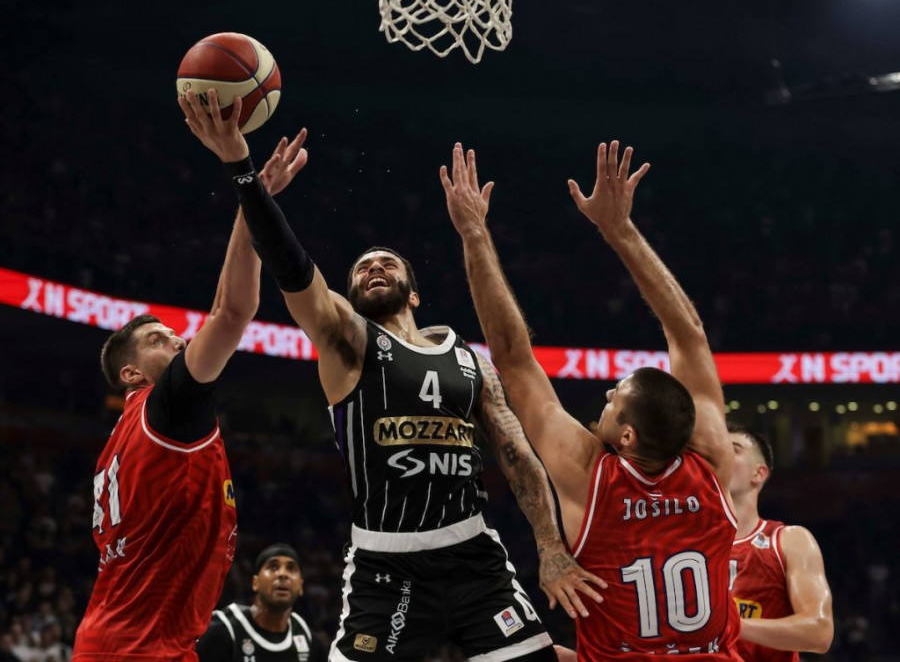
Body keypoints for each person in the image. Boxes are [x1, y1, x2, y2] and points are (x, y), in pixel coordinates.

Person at [212, 106, 605, 662]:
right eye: (362, 267)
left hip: (474, 557)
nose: (374, 267)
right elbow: (292, 267)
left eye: (388, 263)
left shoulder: (467, 359)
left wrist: (550, 548)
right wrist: (246, 177)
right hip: (386, 564)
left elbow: (517, 455)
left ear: (414, 294)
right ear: (350, 295)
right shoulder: (347, 339)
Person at [443, 141, 742, 659]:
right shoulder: (714, 462)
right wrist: (620, 230)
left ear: (627, 436)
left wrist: (474, 233)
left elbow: (513, 358)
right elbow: (690, 334)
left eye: (615, 397)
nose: (606, 393)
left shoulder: (589, 475)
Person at [72, 90, 308, 661]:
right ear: (131, 373)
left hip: (137, 641)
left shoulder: (126, 435)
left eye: (175, 335)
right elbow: (232, 311)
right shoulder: (165, 407)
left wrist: (253, 204)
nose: (178, 341)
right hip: (140, 650)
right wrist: (244, 177)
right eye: (160, 340)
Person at [727, 423, 833, 661]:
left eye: (733, 449)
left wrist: (730, 625)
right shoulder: (684, 543)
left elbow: (819, 631)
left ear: (758, 473)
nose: (720, 456)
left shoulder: (789, 540)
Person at [197, 544, 327, 662]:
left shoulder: (309, 641)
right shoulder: (223, 630)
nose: (283, 574)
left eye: (291, 569)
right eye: (273, 567)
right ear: (255, 582)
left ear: (301, 586)